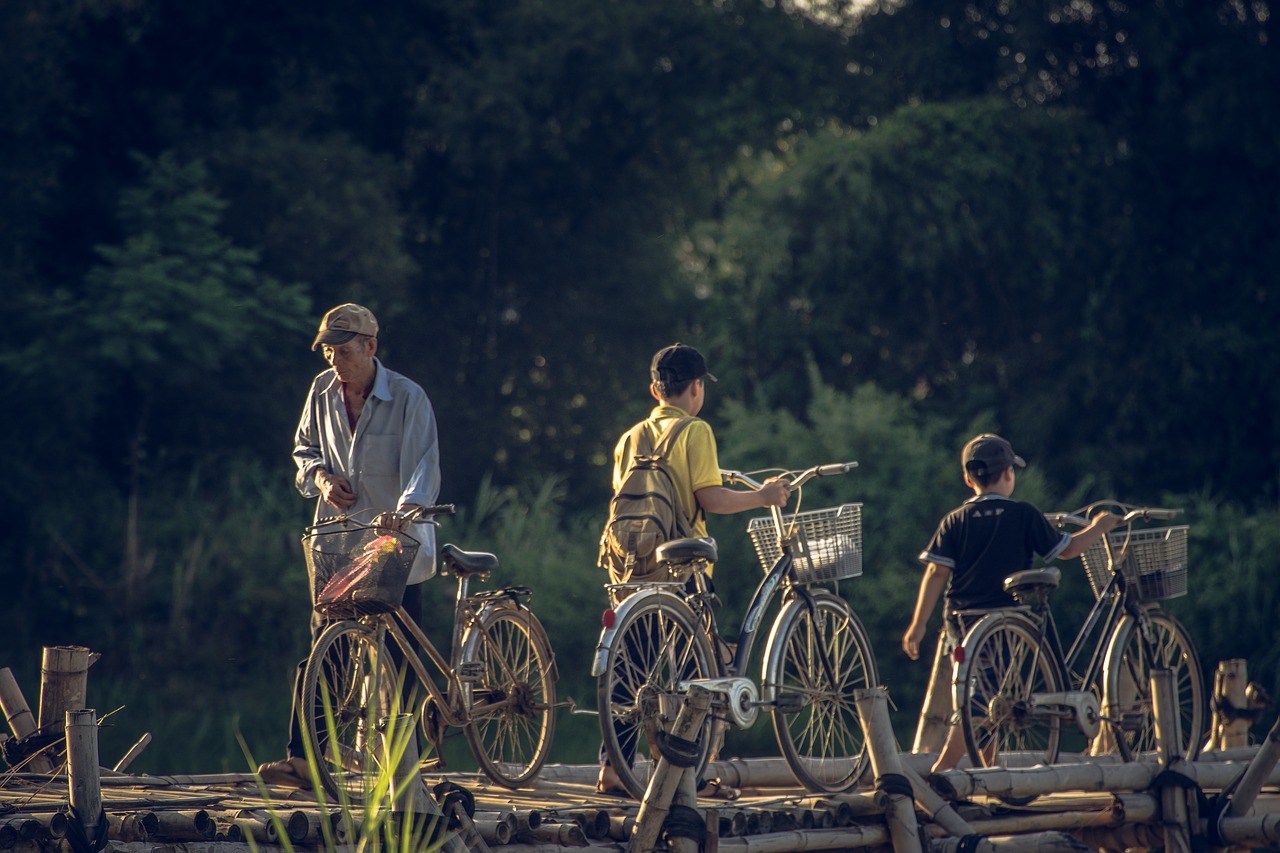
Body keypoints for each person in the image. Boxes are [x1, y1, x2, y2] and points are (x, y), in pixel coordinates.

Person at [257, 303, 441, 788]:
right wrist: (319, 478)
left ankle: (404, 778)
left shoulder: (408, 396)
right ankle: (301, 760)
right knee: (322, 649)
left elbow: (424, 468)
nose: (334, 360)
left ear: (370, 347)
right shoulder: (321, 391)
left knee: (399, 663)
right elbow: (304, 449)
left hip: (395, 548)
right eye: (329, 351)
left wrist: (404, 511)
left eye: (342, 351)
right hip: (339, 546)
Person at [597, 343, 791, 795]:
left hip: (628, 565)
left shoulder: (630, 437)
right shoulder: (695, 431)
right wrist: (763, 497)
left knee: (631, 667)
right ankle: (688, 776)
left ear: (655, 390)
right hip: (679, 567)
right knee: (692, 675)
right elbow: (710, 499)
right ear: (697, 388)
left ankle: (612, 768)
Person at [901, 433, 1121, 773]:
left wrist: (918, 624)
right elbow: (1068, 549)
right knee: (983, 699)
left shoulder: (954, 520)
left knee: (986, 690)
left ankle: (991, 774)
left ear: (967, 479)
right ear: (1008, 474)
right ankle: (942, 770)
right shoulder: (1022, 514)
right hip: (1004, 620)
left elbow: (935, 573)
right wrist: (1099, 527)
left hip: (960, 619)